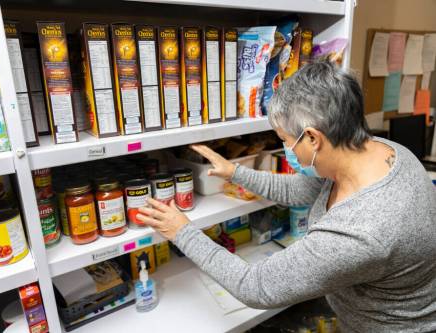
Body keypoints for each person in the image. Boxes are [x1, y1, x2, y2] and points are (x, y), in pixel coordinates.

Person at [136, 61, 436, 333]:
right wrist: (235, 172)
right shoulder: (379, 150)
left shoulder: (361, 230)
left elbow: (256, 287)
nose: (287, 149)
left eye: (285, 140)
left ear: (313, 138)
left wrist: (182, 232)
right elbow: (302, 190)